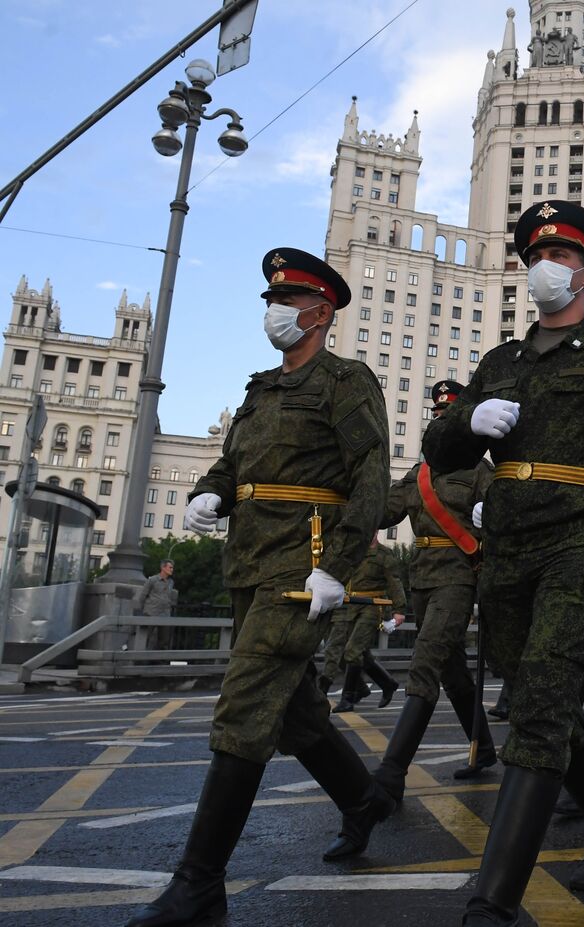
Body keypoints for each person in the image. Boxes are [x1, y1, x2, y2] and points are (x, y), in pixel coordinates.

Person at [421, 201, 584, 923]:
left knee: (539, 705)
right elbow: (438, 450)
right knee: (535, 694)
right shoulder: (499, 361)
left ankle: (492, 900)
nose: (545, 267)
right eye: (536, 254)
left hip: (583, 542)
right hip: (508, 548)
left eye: (562, 255)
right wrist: (464, 424)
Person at [128, 248, 392, 927]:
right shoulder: (261, 389)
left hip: (300, 572)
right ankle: (362, 798)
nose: (275, 312)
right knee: (296, 711)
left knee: (243, 707)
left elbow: (369, 476)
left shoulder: (346, 380)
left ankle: (198, 885)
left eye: (288, 301)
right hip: (249, 563)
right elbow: (229, 462)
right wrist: (208, 492)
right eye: (271, 301)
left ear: (321, 311)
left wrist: (339, 563)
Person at [373, 379, 499, 805]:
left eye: (450, 413)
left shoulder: (481, 471)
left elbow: (504, 520)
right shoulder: (418, 473)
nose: (442, 419)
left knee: (425, 664)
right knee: (452, 672)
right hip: (422, 578)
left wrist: (493, 514)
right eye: (438, 413)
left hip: (459, 577)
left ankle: (390, 776)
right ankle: (483, 746)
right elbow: (383, 510)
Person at [320, 537, 406, 712]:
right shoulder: (352, 551)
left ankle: (348, 698)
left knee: (353, 651)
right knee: (355, 653)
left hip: (372, 606)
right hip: (350, 604)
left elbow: (394, 582)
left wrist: (399, 610)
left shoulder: (384, 555)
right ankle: (385, 684)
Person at [134, 559, 179, 649]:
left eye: (172, 568)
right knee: (145, 638)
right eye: (170, 567)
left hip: (165, 614)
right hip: (151, 613)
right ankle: (139, 660)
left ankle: (159, 661)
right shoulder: (153, 580)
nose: (172, 570)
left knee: (164, 641)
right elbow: (143, 595)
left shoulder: (171, 582)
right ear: (163, 567)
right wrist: (140, 611)